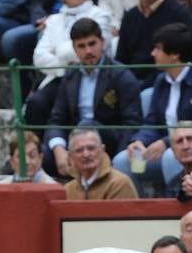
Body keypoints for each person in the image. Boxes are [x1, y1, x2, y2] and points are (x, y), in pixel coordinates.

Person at [113, 22, 192, 191]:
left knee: (173, 156)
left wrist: (167, 142)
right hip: (168, 148)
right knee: (122, 160)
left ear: (175, 54)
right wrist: (140, 140)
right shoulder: (162, 80)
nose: (152, 53)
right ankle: (138, 212)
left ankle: (177, 207)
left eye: (158, 48)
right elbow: (152, 121)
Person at [45, 17, 143, 177]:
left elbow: (132, 125)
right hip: (76, 142)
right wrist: (58, 149)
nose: (88, 51)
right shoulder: (70, 75)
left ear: (102, 42)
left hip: (109, 141)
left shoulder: (121, 75)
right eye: (81, 46)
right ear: (74, 49)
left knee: (86, 125)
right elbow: (56, 119)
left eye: (92, 44)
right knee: (46, 155)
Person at [23, 0, 113, 128]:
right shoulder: (54, 20)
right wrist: (66, 67)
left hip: (92, 77)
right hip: (59, 77)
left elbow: (93, 51)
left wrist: (60, 51)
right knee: (37, 103)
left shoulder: (101, 15)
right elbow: (39, 57)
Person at [1, 0, 103, 77]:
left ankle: (45, 79)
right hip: (50, 18)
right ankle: (28, 87)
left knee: (45, 38)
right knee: (12, 39)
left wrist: (62, 67)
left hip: (81, 19)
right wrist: (40, 17)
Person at [115, 0, 192, 89]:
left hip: (166, 83)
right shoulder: (130, 16)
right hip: (131, 84)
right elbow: (121, 60)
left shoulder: (178, 14)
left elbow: (184, 61)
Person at [63, 126, 140, 199]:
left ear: (102, 150)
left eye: (91, 148)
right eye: (79, 150)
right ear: (70, 156)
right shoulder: (68, 190)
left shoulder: (119, 184)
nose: (86, 154)